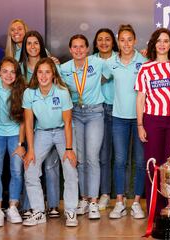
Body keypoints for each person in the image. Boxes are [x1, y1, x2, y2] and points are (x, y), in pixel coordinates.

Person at [60, 34, 112, 219]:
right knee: (79, 158)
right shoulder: (63, 69)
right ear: (70, 49)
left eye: (82, 46)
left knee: (92, 157)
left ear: (88, 49)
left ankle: (93, 202)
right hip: (74, 114)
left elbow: (110, 75)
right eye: (75, 47)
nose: (79, 50)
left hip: (95, 113)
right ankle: (83, 198)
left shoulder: (97, 63)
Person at [22, 58, 78, 227]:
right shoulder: (29, 93)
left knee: (69, 166)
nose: (43, 76)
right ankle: (38, 212)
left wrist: (69, 149)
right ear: (36, 74)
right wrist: (30, 149)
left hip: (62, 131)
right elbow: (29, 124)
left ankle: (71, 211)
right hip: (42, 132)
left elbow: (67, 122)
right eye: (40, 72)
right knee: (30, 167)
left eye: (47, 72)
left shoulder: (61, 91)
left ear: (53, 74)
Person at [135, 28, 170, 217]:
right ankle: (155, 211)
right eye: (159, 41)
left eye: (166, 41)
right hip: (152, 120)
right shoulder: (145, 68)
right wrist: (140, 125)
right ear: (153, 44)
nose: (162, 44)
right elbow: (140, 98)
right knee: (153, 166)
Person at [19, 30, 61, 218]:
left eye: (36, 43)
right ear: (24, 47)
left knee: (51, 165)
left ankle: (52, 205)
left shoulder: (51, 65)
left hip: (48, 120)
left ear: (41, 45)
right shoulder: (20, 68)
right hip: (27, 119)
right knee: (30, 161)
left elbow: (59, 90)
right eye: (29, 43)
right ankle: (30, 206)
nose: (33, 47)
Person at [107, 24, 147, 219]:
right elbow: (99, 79)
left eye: (129, 39)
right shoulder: (111, 63)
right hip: (118, 119)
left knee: (140, 162)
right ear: (118, 42)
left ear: (135, 41)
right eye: (122, 40)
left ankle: (137, 202)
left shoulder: (145, 61)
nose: (126, 43)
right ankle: (120, 202)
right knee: (120, 160)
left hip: (141, 119)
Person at [0, 57, 26, 226]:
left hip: (15, 134)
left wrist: (21, 144)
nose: (8, 75)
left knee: (16, 171)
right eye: (5, 71)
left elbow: (23, 121)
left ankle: (13, 206)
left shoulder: (21, 90)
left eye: (12, 72)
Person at [92, 28, 118, 210]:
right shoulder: (90, 61)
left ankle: (123, 198)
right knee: (103, 156)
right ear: (95, 43)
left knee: (122, 158)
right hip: (99, 111)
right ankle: (105, 194)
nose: (103, 43)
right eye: (100, 39)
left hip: (121, 111)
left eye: (107, 39)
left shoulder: (121, 57)